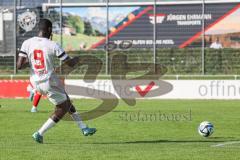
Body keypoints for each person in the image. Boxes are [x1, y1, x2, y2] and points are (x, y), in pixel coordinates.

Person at [17, 18, 96, 143]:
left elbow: (19, 66)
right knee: (61, 109)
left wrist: (32, 61)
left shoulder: (27, 43)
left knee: (66, 100)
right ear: (49, 30)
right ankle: (39, 133)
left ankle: (84, 128)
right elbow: (69, 63)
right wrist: (77, 59)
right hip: (49, 82)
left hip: (35, 82)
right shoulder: (52, 44)